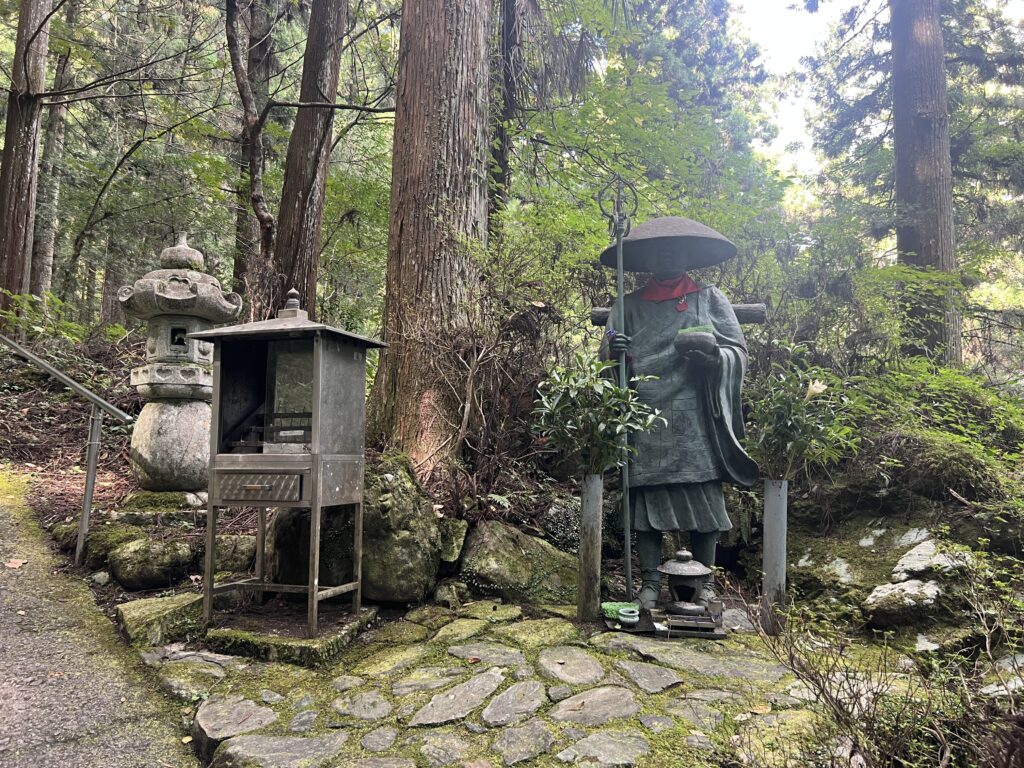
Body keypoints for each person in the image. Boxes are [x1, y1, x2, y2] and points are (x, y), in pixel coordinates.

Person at [599, 216, 758, 610]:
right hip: (645, 413)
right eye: (659, 251)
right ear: (648, 258)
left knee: (704, 502)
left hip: (697, 415)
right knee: (647, 505)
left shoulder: (710, 298)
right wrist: (614, 352)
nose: (667, 257)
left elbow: (737, 352)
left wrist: (713, 356)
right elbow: (607, 356)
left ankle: (704, 582)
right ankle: (650, 582)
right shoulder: (627, 305)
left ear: (689, 256)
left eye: (675, 250)